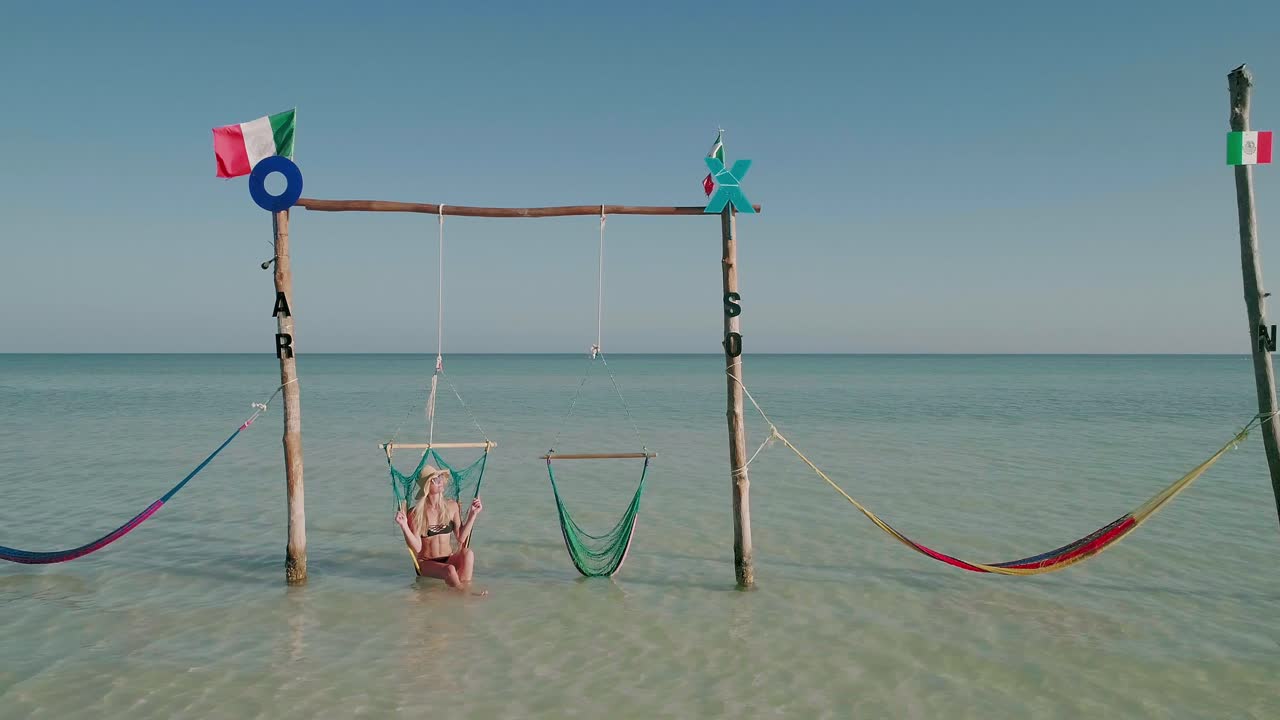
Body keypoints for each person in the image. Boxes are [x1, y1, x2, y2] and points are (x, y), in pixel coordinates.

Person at [393, 464, 483, 589]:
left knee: (468, 553)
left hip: (449, 558)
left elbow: (461, 538)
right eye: (435, 480)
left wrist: (473, 514)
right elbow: (417, 547)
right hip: (427, 563)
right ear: (427, 487)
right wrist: (404, 526)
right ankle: (465, 595)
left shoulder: (452, 506)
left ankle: (462, 591)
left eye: (440, 477)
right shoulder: (417, 513)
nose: (440, 481)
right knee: (450, 570)